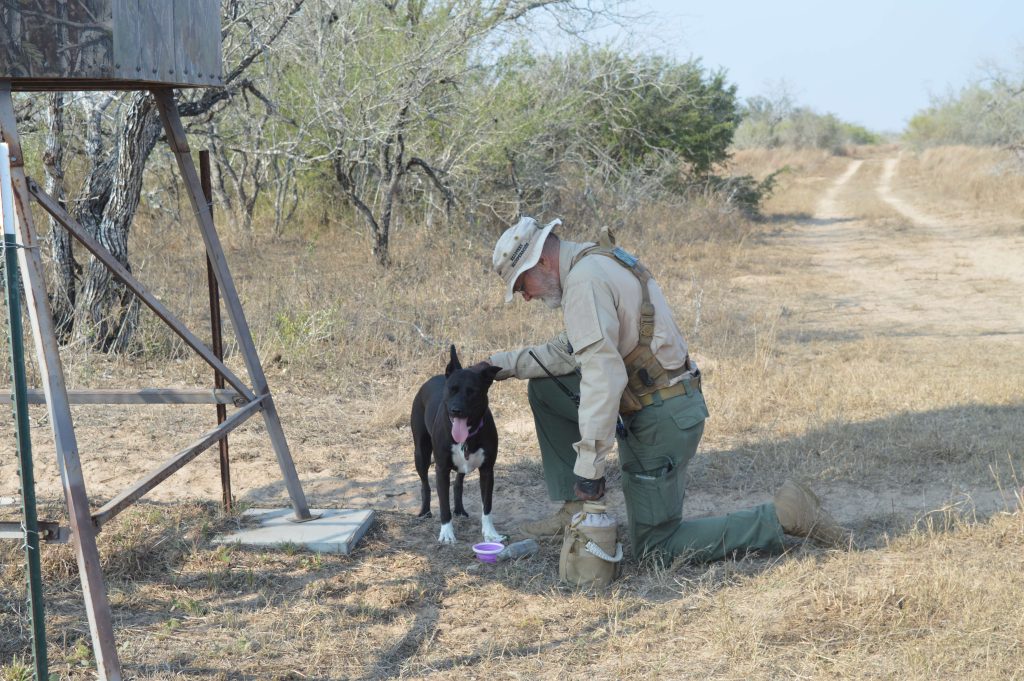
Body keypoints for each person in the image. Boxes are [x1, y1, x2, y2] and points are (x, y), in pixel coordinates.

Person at [486, 216, 849, 563]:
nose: (527, 297)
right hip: (667, 403)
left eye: (521, 285)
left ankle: (783, 515)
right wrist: (495, 365)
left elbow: (603, 377)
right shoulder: (598, 260)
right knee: (547, 389)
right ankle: (574, 513)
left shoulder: (584, 283)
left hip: (660, 420)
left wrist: (588, 470)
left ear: (543, 262)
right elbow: (568, 352)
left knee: (656, 548)